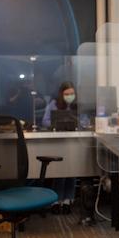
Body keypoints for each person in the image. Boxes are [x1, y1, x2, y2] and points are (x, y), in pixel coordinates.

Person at [43, 82, 78, 213]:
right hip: (59, 142)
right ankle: (56, 200)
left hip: (75, 142)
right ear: (61, 94)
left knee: (73, 171)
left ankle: (68, 200)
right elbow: (45, 121)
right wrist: (57, 123)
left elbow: (85, 120)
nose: (70, 96)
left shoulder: (77, 106)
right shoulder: (54, 104)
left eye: (72, 94)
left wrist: (80, 121)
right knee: (60, 173)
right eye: (67, 94)